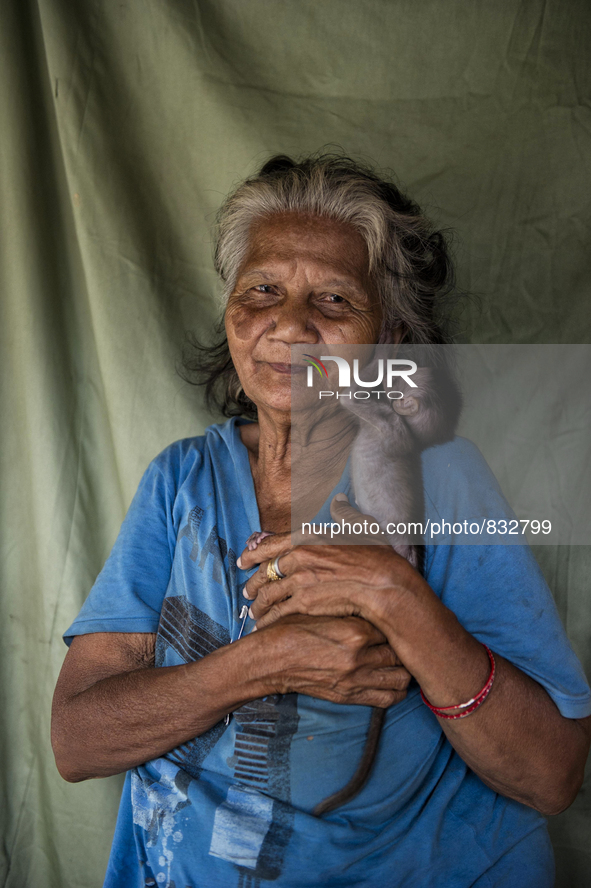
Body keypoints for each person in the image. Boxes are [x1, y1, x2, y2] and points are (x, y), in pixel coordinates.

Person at [51, 155, 591, 888]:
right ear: (231, 314)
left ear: (390, 340)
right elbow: (76, 743)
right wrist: (261, 663)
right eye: (262, 289)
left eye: (334, 301)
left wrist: (393, 594)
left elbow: (550, 776)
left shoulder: (444, 482)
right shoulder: (181, 479)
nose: (288, 324)